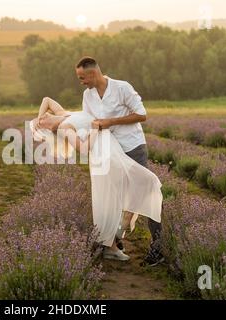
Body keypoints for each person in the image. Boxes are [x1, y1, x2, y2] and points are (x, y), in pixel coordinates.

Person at [30, 97, 163, 262]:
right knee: (131, 188)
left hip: (112, 148)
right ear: (49, 131)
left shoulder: (64, 114)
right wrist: (94, 129)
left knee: (131, 188)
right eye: (41, 125)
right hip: (105, 155)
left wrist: (37, 119)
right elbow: (84, 149)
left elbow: (46, 100)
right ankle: (112, 243)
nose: (42, 120)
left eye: (42, 118)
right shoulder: (64, 127)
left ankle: (116, 235)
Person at [75, 56, 165, 266]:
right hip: (110, 152)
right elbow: (91, 123)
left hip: (133, 147)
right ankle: (113, 242)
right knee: (113, 196)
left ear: (93, 73)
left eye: (82, 77)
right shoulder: (87, 96)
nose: (81, 82)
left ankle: (158, 248)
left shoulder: (122, 88)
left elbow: (142, 114)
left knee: (147, 191)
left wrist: (110, 122)